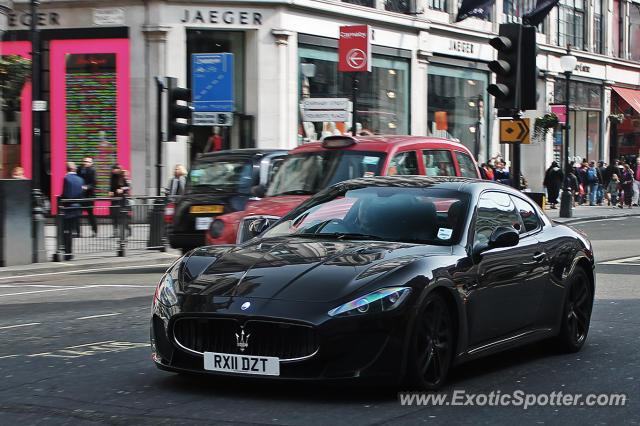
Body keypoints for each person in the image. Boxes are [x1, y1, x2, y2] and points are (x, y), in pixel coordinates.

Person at [61, 162, 85, 260]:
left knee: (66, 231)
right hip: (78, 207)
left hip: (68, 208)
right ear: (74, 169)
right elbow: (81, 195)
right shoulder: (81, 179)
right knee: (72, 230)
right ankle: (70, 252)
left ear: (67, 169)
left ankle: (67, 252)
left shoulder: (66, 179)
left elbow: (66, 194)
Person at [77, 156, 98, 236]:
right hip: (80, 196)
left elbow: (94, 184)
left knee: (91, 215)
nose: (85, 163)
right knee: (78, 214)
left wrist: (87, 187)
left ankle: (94, 231)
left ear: (91, 163)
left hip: (89, 196)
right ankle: (78, 232)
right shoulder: (79, 169)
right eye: (85, 161)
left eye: (88, 162)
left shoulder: (93, 171)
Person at [109, 164, 131, 237]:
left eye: (116, 169)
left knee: (122, 215)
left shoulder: (123, 177)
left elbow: (128, 187)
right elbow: (111, 187)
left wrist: (122, 189)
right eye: (114, 169)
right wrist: (110, 192)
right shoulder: (112, 177)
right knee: (114, 215)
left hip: (121, 199)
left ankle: (128, 229)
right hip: (114, 199)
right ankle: (115, 232)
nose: (115, 170)